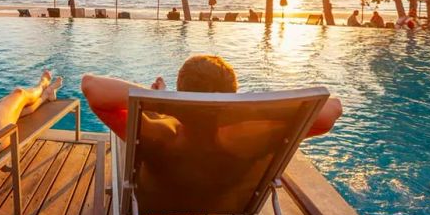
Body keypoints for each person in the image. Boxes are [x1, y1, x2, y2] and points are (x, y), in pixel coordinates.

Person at [81, 55, 343, 141]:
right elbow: (332, 109)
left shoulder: (160, 134)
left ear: (180, 94)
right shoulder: (252, 136)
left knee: (152, 118)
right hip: (233, 202)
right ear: (234, 94)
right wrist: (247, 108)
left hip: (158, 196)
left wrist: (166, 101)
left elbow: (91, 86)